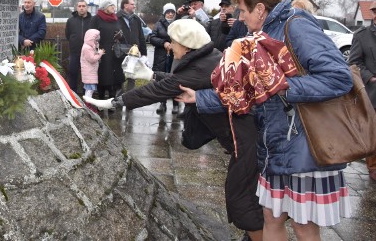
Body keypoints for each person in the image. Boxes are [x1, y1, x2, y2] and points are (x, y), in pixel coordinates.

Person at [178, 0, 352, 240]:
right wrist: (200, 98)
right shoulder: (262, 34)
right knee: (270, 217)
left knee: (303, 226)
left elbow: (339, 78)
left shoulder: (297, 26)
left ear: (260, 9)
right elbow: (248, 89)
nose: (240, 17)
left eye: (244, 11)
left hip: (304, 142)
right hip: (276, 142)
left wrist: (280, 86)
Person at [84, 19, 264, 240]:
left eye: (174, 41)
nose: (170, 45)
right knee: (250, 197)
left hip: (245, 142)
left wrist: (114, 102)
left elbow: (157, 91)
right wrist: (151, 75)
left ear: (187, 46)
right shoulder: (209, 57)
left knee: (241, 201)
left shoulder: (200, 67)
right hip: (245, 138)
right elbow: (178, 80)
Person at [349, 0, 376, 182]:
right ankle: (374, 166)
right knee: (373, 129)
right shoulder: (362, 35)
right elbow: (354, 62)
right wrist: (369, 77)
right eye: (375, 13)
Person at [89, 0, 124, 101]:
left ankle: (112, 101)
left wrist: (119, 36)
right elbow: (91, 35)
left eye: (114, 5)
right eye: (111, 5)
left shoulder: (115, 19)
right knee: (102, 76)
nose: (113, 7)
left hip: (114, 52)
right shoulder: (96, 19)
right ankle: (101, 99)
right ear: (104, 8)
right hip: (102, 52)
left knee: (113, 77)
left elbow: (120, 32)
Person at [148, 2, 177, 114]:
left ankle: (175, 104)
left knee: (175, 80)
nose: (170, 14)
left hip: (175, 56)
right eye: (168, 12)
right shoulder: (158, 24)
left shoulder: (178, 24)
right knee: (162, 81)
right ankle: (162, 103)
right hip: (161, 57)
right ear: (164, 13)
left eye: (172, 12)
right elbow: (152, 38)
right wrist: (163, 43)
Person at [117, 0, 147, 92]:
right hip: (121, 51)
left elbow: (141, 36)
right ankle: (119, 97)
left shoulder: (136, 19)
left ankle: (129, 98)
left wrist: (144, 53)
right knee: (119, 75)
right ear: (125, 5)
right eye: (132, 4)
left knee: (132, 76)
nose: (134, 6)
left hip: (134, 52)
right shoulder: (117, 18)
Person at [65, 0, 92, 94]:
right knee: (73, 73)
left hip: (88, 53)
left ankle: (86, 97)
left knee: (87, 75)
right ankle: (73, 95)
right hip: (75, 52)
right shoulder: (71, 21)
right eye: (79, 6)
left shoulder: (92, 20)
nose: (81, 8)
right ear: (76, 8)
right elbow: (68, 35)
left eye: (83, 6)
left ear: (87, 7)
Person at [80, 29, 105, 98]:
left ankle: (88, 103)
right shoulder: (87, 48)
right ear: (91, 39)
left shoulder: (89, 46)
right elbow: (92, 59)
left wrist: (96, 46)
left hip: (90, 72)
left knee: (90, 89)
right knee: (90, 90)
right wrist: (100, 53)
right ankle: (88, 104)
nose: (97, 42)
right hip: (89, 73)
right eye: (95, 40)